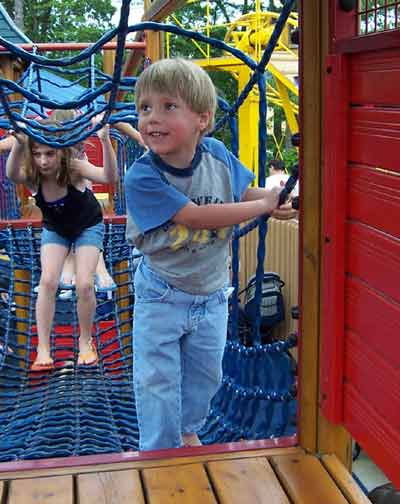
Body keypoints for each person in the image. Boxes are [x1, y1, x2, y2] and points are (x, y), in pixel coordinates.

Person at [124, 58, 293, 451]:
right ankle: (160, 449)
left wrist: (274, 200)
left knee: (207, 375)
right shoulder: (143, 175)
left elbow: (242, 193)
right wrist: (261, 206)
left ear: (202, 119)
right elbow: (194, 216)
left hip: (213, 292)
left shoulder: (216, 154)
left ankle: (187, 429)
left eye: (168, 106)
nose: (151, 118)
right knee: (156, 378)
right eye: (145, 107)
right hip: (161, 293)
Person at [6, 115, 118, 370]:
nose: (43, 160)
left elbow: (108, 176)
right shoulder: (35, 175)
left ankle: (85, 342)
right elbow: (12, 174)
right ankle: (43, 349)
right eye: (37, 154)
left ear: (62, 154)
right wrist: (18, 144)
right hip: (56, 229)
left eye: (50, 154)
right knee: (47, 281)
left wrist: (104, 140)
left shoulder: (75, 169)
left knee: (85, 284)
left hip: (87, 226)